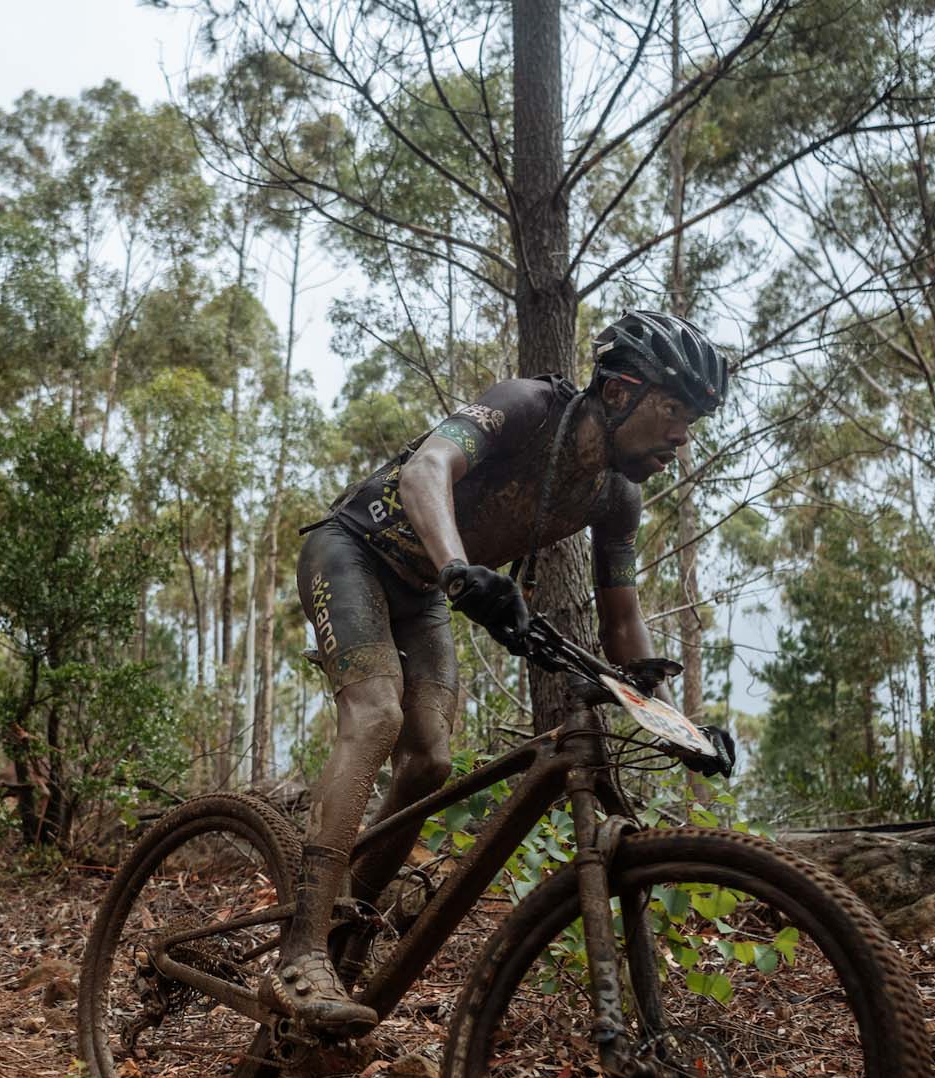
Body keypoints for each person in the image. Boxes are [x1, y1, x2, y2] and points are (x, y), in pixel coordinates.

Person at [268, 310, 738, 1029]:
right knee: (377, 715)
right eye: (673, 409)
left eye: (693, 419)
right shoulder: (528, 405)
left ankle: (342, 927)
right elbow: (428, 468)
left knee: (430, 760)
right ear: (618, 392)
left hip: (423, 592)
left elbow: (622, 627)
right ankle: (300, 952)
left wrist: (680, 725)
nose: (682, 434)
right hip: (352, 552)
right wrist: (461, 568)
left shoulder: (617, 500)